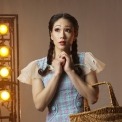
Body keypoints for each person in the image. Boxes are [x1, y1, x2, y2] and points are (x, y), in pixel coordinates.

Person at [17, 13, 105, 122]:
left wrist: (70, 71)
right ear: (51, 34)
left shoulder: (85, 60)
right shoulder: (39, 66)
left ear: (75, 34)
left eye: (67, 30)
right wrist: (57, 74)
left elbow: (93, 98)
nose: (62, 35)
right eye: (57, 30)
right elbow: (39, 105)